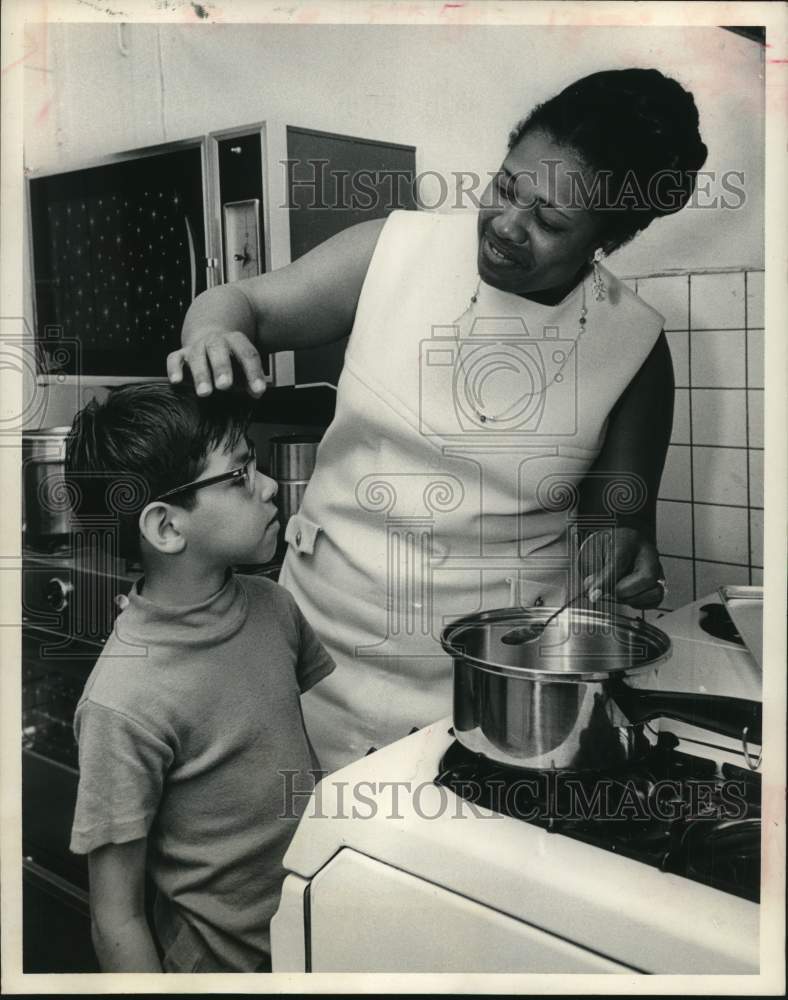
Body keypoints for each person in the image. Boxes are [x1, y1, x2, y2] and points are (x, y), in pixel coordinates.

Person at [167, 68, 708, 773]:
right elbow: (243, 304)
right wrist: (212, 332)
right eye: (507, 187)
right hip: (310, 661)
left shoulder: (633, 344)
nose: (509, 226)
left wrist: (625, 558)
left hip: (494, 697)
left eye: (550, 222)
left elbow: (618, 530)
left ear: (608, 237)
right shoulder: (393, 251)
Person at [65, 383, 335, 971]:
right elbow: (117, 917)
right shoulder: (123, 701)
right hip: (217, 969)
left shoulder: (275, 608)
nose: (267, 486)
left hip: (312, 941)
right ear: (165, 528)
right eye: (239, 474)